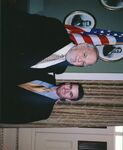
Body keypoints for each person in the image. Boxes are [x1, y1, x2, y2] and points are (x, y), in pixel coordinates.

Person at [3, 8, 98, 75]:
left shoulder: (60, 69)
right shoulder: (56, 28)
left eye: (84, 63)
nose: (80, 60)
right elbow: (17, 19)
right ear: (82, 45)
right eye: (84, 55)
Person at [1, 73, 84, 123]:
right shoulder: (47, 76)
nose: (66, 90)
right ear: (67, 83)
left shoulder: (44, 113)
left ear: (68, 99)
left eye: (70, 94)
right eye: (70, 86)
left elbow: (12, 118)